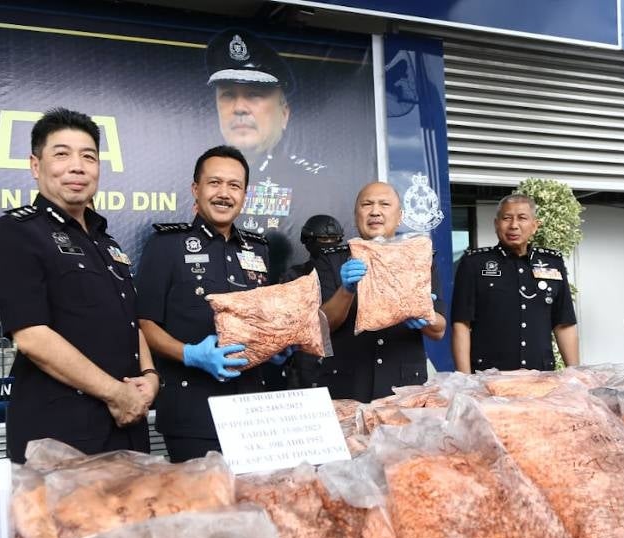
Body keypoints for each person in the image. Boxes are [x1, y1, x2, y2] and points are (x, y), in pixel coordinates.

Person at [0, 108, 157, 463]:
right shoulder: (16, 233)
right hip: (60, 436)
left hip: (127, 426)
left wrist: (150, 376)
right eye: (62, 154)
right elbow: (32, 337)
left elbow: (130, 320)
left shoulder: (107, 243)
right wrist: (116, 394)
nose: (77, 167)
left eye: (88, 157)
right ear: (36, 166)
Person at [136, 145, 283, 463]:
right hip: (192, 413)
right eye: (214, 183)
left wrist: (275, 347)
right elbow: (144, 324)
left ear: (245, 195)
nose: (224, 194)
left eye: (234, 185)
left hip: (252, 411)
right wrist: (190, 354)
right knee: (203, 497)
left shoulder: (258, 250)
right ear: (196, 189)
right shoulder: (166, 245)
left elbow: (264, 319)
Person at [205, 28, 331, 280]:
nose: (239, 108)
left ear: (284, 114)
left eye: (254, 95)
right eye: (228, 95)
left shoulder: (318, 185)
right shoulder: (188, 179)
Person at [318, 182, 447, 402]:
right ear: (356, 215)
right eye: (367, 204)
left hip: (404, 387)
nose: (375, 211)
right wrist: (346, 290)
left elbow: (439, 331)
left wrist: (425, 319)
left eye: (384, 204)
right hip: (348, 385)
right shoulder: (331, 260)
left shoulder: (419, 259)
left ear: (400, 216)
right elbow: (321, 327)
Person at [450, 193, 580, 373]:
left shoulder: (552, 263)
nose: (513, 225)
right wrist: (465, 380)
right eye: (507, 218)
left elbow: (564, 324)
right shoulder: (474, 263)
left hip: (541, 376)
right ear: (496, 224)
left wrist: (576, 376)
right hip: (488, 377)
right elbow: (461, 324)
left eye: (522, 218)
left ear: (535, 226)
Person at [281, 214, 348, 389]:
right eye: (323, 239)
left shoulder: (348, 275)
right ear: (308, 241)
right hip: (306, 359)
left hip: (346, 358)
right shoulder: (295, 275)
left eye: (333, 240)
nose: (328, 244)